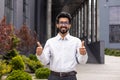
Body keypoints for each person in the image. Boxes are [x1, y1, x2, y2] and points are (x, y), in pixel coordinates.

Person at [36, 12, 88, 80]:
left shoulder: (76, 41)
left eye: (66, 23)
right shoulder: (50, 42)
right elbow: (44, 62)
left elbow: (82, 62)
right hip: (53, 77)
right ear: (57, 25)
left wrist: (83, 54)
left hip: (70, 77)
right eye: (61, 22)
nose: (63, 25)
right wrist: (40, 54)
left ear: (69, 25)